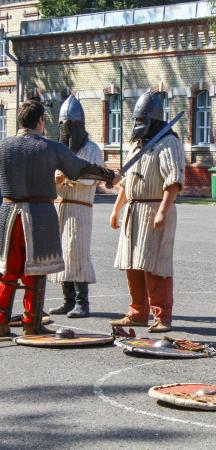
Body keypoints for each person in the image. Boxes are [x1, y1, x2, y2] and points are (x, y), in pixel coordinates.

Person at [0, 100, 117, 337]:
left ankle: (1, 322)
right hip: (38, 216)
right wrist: (110, 175)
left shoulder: (3, 146)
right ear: (41, 120)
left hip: (8, 214)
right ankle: (31, 322)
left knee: (8, 272)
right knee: (36, 269)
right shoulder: (49, 147)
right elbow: (81, 168)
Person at [109, 91, 184, 333]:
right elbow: (126, 184)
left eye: (143, 120)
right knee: (132, 265)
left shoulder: (168, 142)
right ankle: (137, 313)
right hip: (134, 210)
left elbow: (173, 181)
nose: (139, 125)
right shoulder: (136, 146)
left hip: (154, 209)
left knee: (155, 266)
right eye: (136, 120)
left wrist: (163, 210)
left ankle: (162, 316)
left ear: (154, 120)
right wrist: (116, 210)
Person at [48, 95, 105, 319]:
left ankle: (83, 302)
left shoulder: (91, 149)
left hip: (80, 207)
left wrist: (68, 176)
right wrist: (57, 176)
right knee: (62, 254)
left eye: (71, 125)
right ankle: (67, 300)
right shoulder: (57, 149)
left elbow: (91, 177)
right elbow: (51, 172)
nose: (67, 129)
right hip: (60, 206)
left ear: (80, 125)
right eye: (63, 124)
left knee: (77, 253)